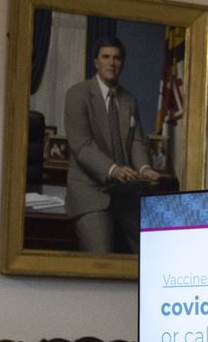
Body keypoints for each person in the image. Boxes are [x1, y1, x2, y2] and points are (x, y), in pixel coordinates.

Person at [62, 37, 159, 253]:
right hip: (91, 193)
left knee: (154, 250)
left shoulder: (129, 100)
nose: (111, 63)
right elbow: (82, 146)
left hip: (125, 193)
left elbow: (136, 140)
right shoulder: (77, 95)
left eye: (116, 58)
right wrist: (113, 170)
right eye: (106, 57)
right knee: (102, 258)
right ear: (96, 62)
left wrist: (144, 168)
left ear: (122, 63)